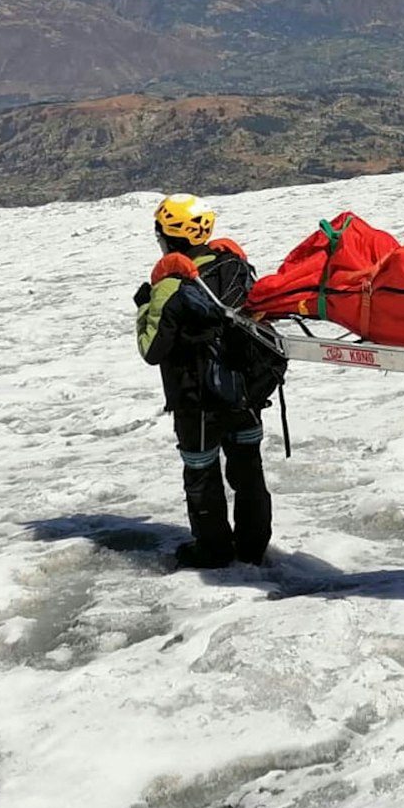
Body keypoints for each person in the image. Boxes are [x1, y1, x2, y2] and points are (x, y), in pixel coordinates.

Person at [133, 193, 274, 568]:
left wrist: (144, 305)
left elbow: (152, 349)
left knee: (201, 474)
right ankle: (253, 546)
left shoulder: (170, 285)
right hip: (245, 393)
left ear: (169, 236)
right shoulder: (235, 266)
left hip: (196, 400)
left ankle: (212, 551)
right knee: (248, 471)